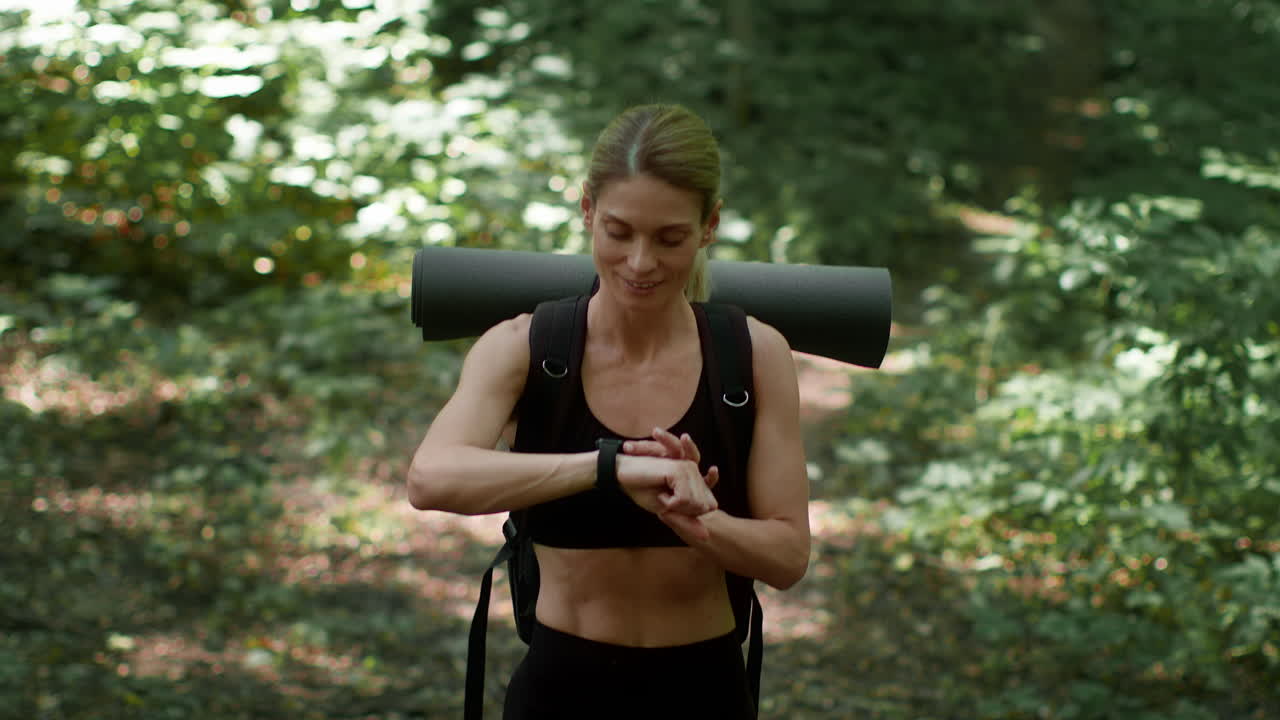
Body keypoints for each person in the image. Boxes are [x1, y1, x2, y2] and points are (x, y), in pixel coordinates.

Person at [406, 103, 810, 719]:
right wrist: (610, 467)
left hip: (705, 689)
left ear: (709, 227)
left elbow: (787, 558)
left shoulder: (754, 355)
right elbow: (430, 479)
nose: (641, 262)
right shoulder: (526, 347)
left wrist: (701, 523)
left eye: (670, 238)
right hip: (562, 687)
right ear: (587, 211)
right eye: (619, 232)